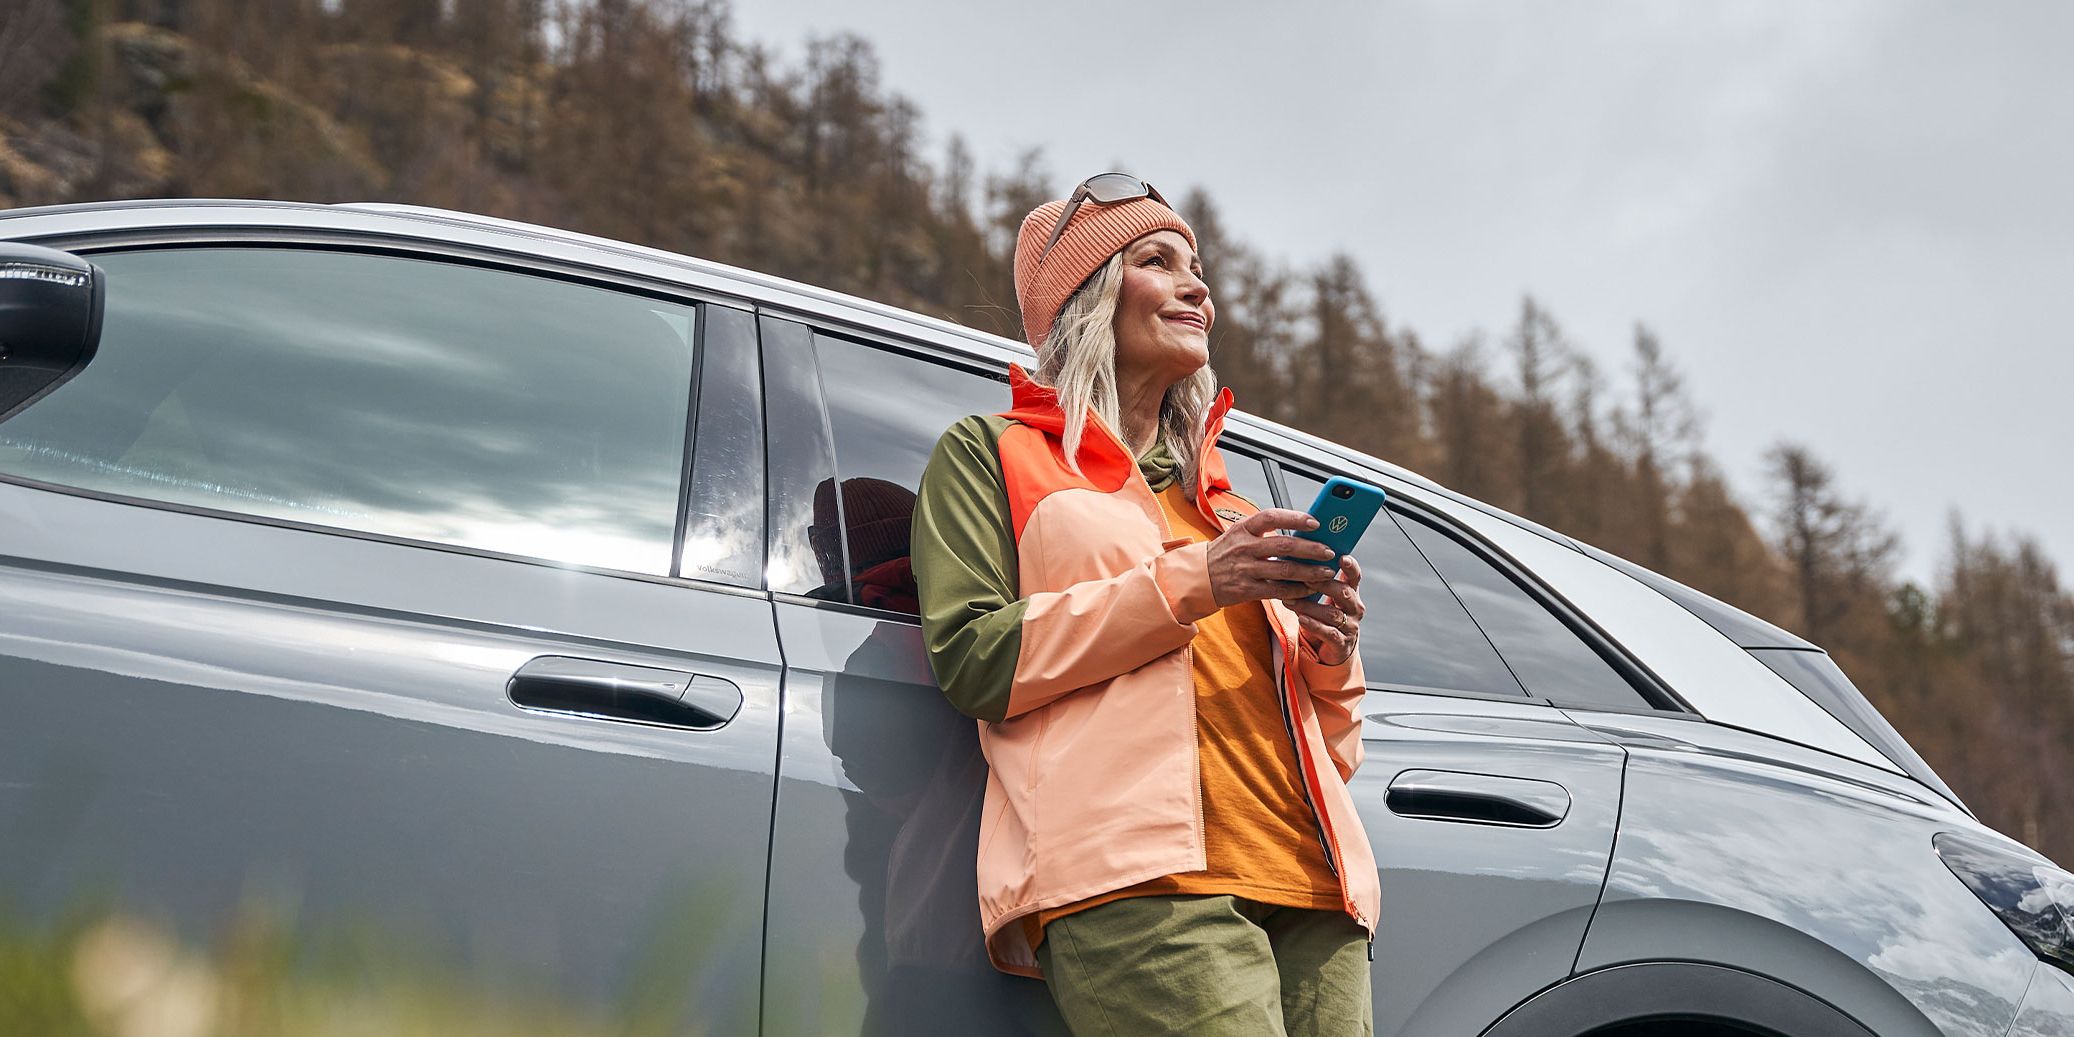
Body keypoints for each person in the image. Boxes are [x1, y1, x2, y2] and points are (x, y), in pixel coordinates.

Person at [911, 172, 1381, 1036]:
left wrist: (1328, 648)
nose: (1198, 285)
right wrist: (1200, 581)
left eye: (1197, 265)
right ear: (1088, 298)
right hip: (1140, 885)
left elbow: (1337, 748)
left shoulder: (1231, 512)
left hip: (1316, 889)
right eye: (1157, 261)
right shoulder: (994, 454)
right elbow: (976, 658)